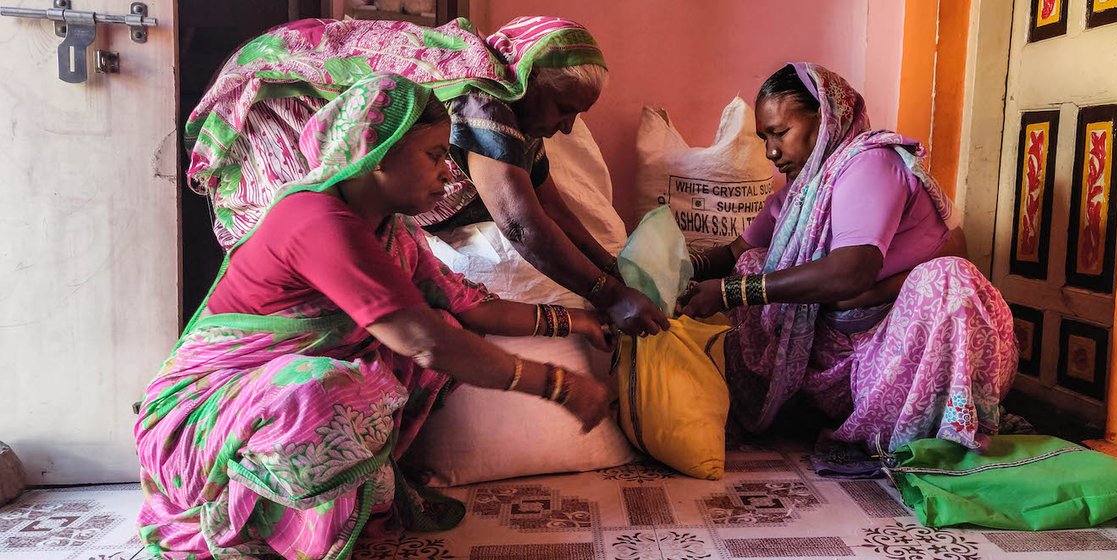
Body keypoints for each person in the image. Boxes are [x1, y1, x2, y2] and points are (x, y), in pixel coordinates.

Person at [136, 75, 615, 559]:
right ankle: (261, 537)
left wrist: (578, 321)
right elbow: (424, 341)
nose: (450, 173)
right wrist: (560, 385)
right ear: (379, 153)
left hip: (259, 407)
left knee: (431, 334)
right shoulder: (313, 219)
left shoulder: (390, 231)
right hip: (197, 423)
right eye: (434, 155)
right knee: (329, 389)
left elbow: (471, 307)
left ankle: (340, 508)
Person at [186, 16, 669, 337]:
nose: (567, 127)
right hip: (278, 105)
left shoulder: (519, 110)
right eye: (564, 110)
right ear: (532, 81)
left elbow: (552, 208)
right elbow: (521, 223)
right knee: (313, 288)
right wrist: (608, 297)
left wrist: (619, 275)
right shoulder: (483, 96)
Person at [678, 63, 1017, 452]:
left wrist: (728, 293)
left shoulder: (870, 162)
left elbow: (853, 270)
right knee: (753, 263)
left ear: (825, 119)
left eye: (781, 133)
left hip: (904, 346)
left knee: (946, 278)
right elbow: (736, 252)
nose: (771, 151)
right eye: (765, 138)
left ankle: (941, 428)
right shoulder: (803, 193)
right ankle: (798, 411)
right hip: (845, 349)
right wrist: (679, 270)